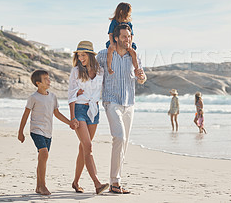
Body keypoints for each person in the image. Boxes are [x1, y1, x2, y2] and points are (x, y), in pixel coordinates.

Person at [97, 23, 147, 194]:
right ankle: (115, 181)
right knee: (119, 137)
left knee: (124, 143)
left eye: (130, 36)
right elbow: (92, 74)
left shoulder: (134, 56)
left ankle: (115, 180)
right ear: (116, 37)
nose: (128, 39)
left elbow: (141, 78)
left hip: (129, 103)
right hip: (111, 102)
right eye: (124, 36)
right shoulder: (104, 55)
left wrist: (142, 76)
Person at [17, 70, 78, 195]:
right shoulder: (33, 98)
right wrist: (20, 132)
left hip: (48, 132)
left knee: (42, 158)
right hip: (36, 130)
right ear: (38, 83)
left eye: (49, 78)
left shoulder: (52, 97)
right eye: (46, 79)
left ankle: (38, 186)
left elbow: (56, 113)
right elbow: (26, 114)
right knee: (44, 153)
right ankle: (43, 185)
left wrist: (70, 123)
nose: (49, 81)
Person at [68, 41, 109, 195]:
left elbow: (105, 87)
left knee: (84, 148)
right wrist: (72, 117)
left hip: (94, 110)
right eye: (79, 55)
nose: (81, 58)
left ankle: (75, 182)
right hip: (79, 109)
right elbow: (71, 95)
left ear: (91, 55)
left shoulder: (100, 71)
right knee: (88, 147)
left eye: (83, 55)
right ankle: (97, 183)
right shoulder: (76, 71)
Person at [106, 2, 139, 75]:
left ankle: (137, 68)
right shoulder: (114, 22)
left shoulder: (129, 23)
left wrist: (129, 45)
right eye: (128, 13)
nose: (129, 15)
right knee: (110, 51)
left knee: (133, 52)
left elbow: (131, 35)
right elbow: (110, 34)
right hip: (115, 40)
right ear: (121, 12)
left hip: (126, 42)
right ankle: (109, 67)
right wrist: (112, 44)